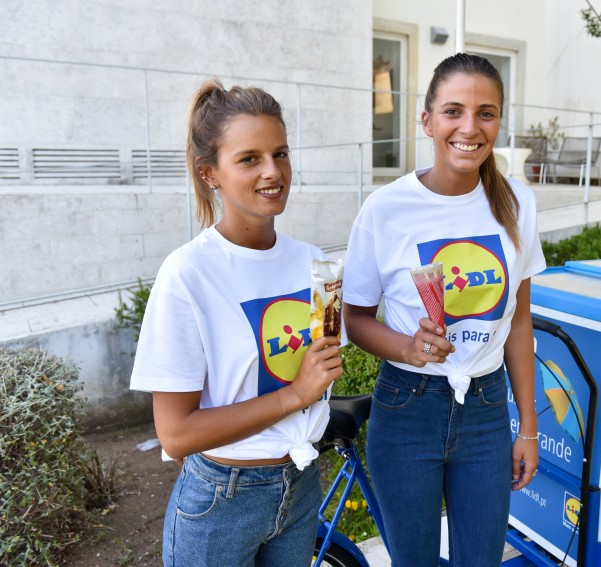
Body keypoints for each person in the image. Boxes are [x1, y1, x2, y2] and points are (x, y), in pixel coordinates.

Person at [129, 79, 343, 567]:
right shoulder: (188, 273)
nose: (273, 171)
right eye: (249, 159)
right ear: (210, 173)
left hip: (300, 484)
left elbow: (321, 369)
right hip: (223, 501)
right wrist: (295, 395)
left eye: (280, 154)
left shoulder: (313, 262)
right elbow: (176, 435)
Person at [343, 53, 546, 566]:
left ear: (499, 121)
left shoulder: (518, 203)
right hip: (407, 409)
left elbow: (519, 320)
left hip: (486, 409)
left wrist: (527, 426)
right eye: (453, 111)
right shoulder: (386, 209)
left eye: (486, 113)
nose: (469, 128)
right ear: (427, 120)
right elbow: (356, 318)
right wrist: (407, 347)